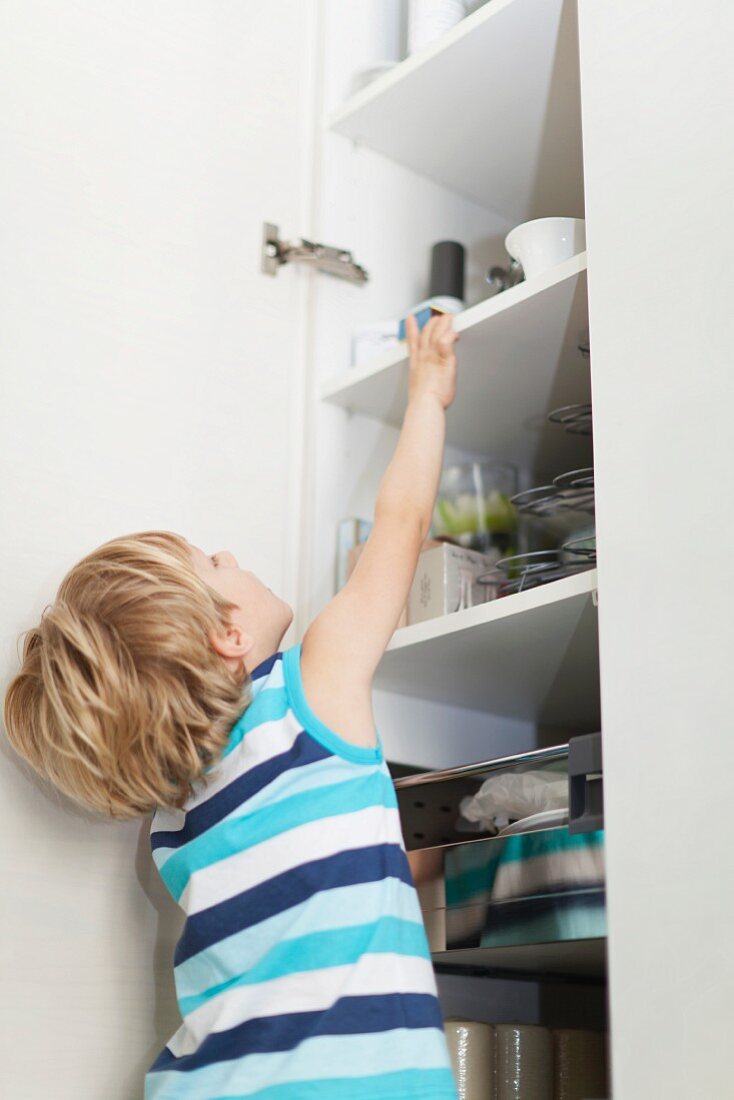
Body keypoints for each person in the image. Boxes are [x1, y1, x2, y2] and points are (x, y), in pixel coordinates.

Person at [3, 313, 460, 1099]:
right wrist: (429, 393)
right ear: (228, 634)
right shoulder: (314, 693)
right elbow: (403, 525)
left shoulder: (176, 821)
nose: (234, 556)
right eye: (215, 562)